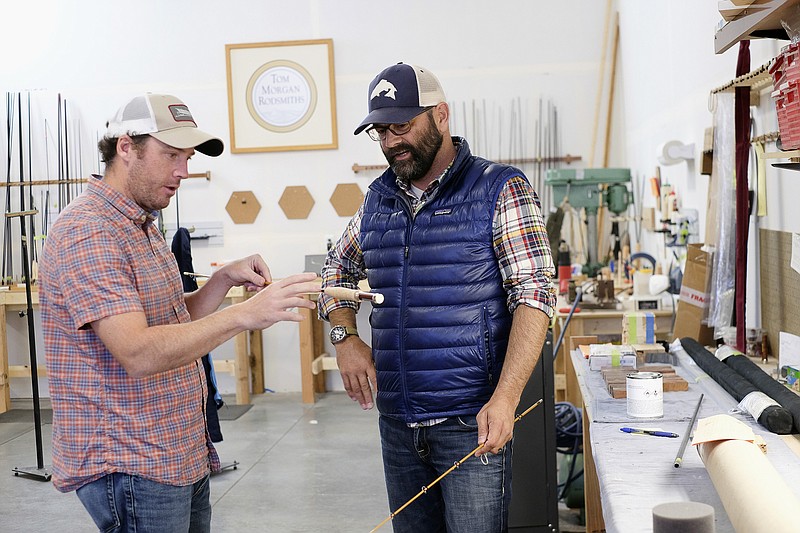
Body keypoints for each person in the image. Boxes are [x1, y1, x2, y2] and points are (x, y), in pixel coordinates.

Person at [39, 93, 319, 533]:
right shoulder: (89, 231)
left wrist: (222, 281)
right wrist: (244, 315)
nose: (183, 172)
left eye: (186, 157)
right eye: (171, 155)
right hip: (132, 461)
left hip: (175, 450)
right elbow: (139, 351)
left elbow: (169, 322)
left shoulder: (142, 224)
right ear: (126, 148)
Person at [318, 63, 556, 532]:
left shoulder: (500, 189)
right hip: (398, 423)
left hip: (472, 423)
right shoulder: (377, 199)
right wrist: (344, 337)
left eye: (401, 126)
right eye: (380, 131)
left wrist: (506, 399)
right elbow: (335, 270)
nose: (390, 142)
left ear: (441, 115)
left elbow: (535, 296)